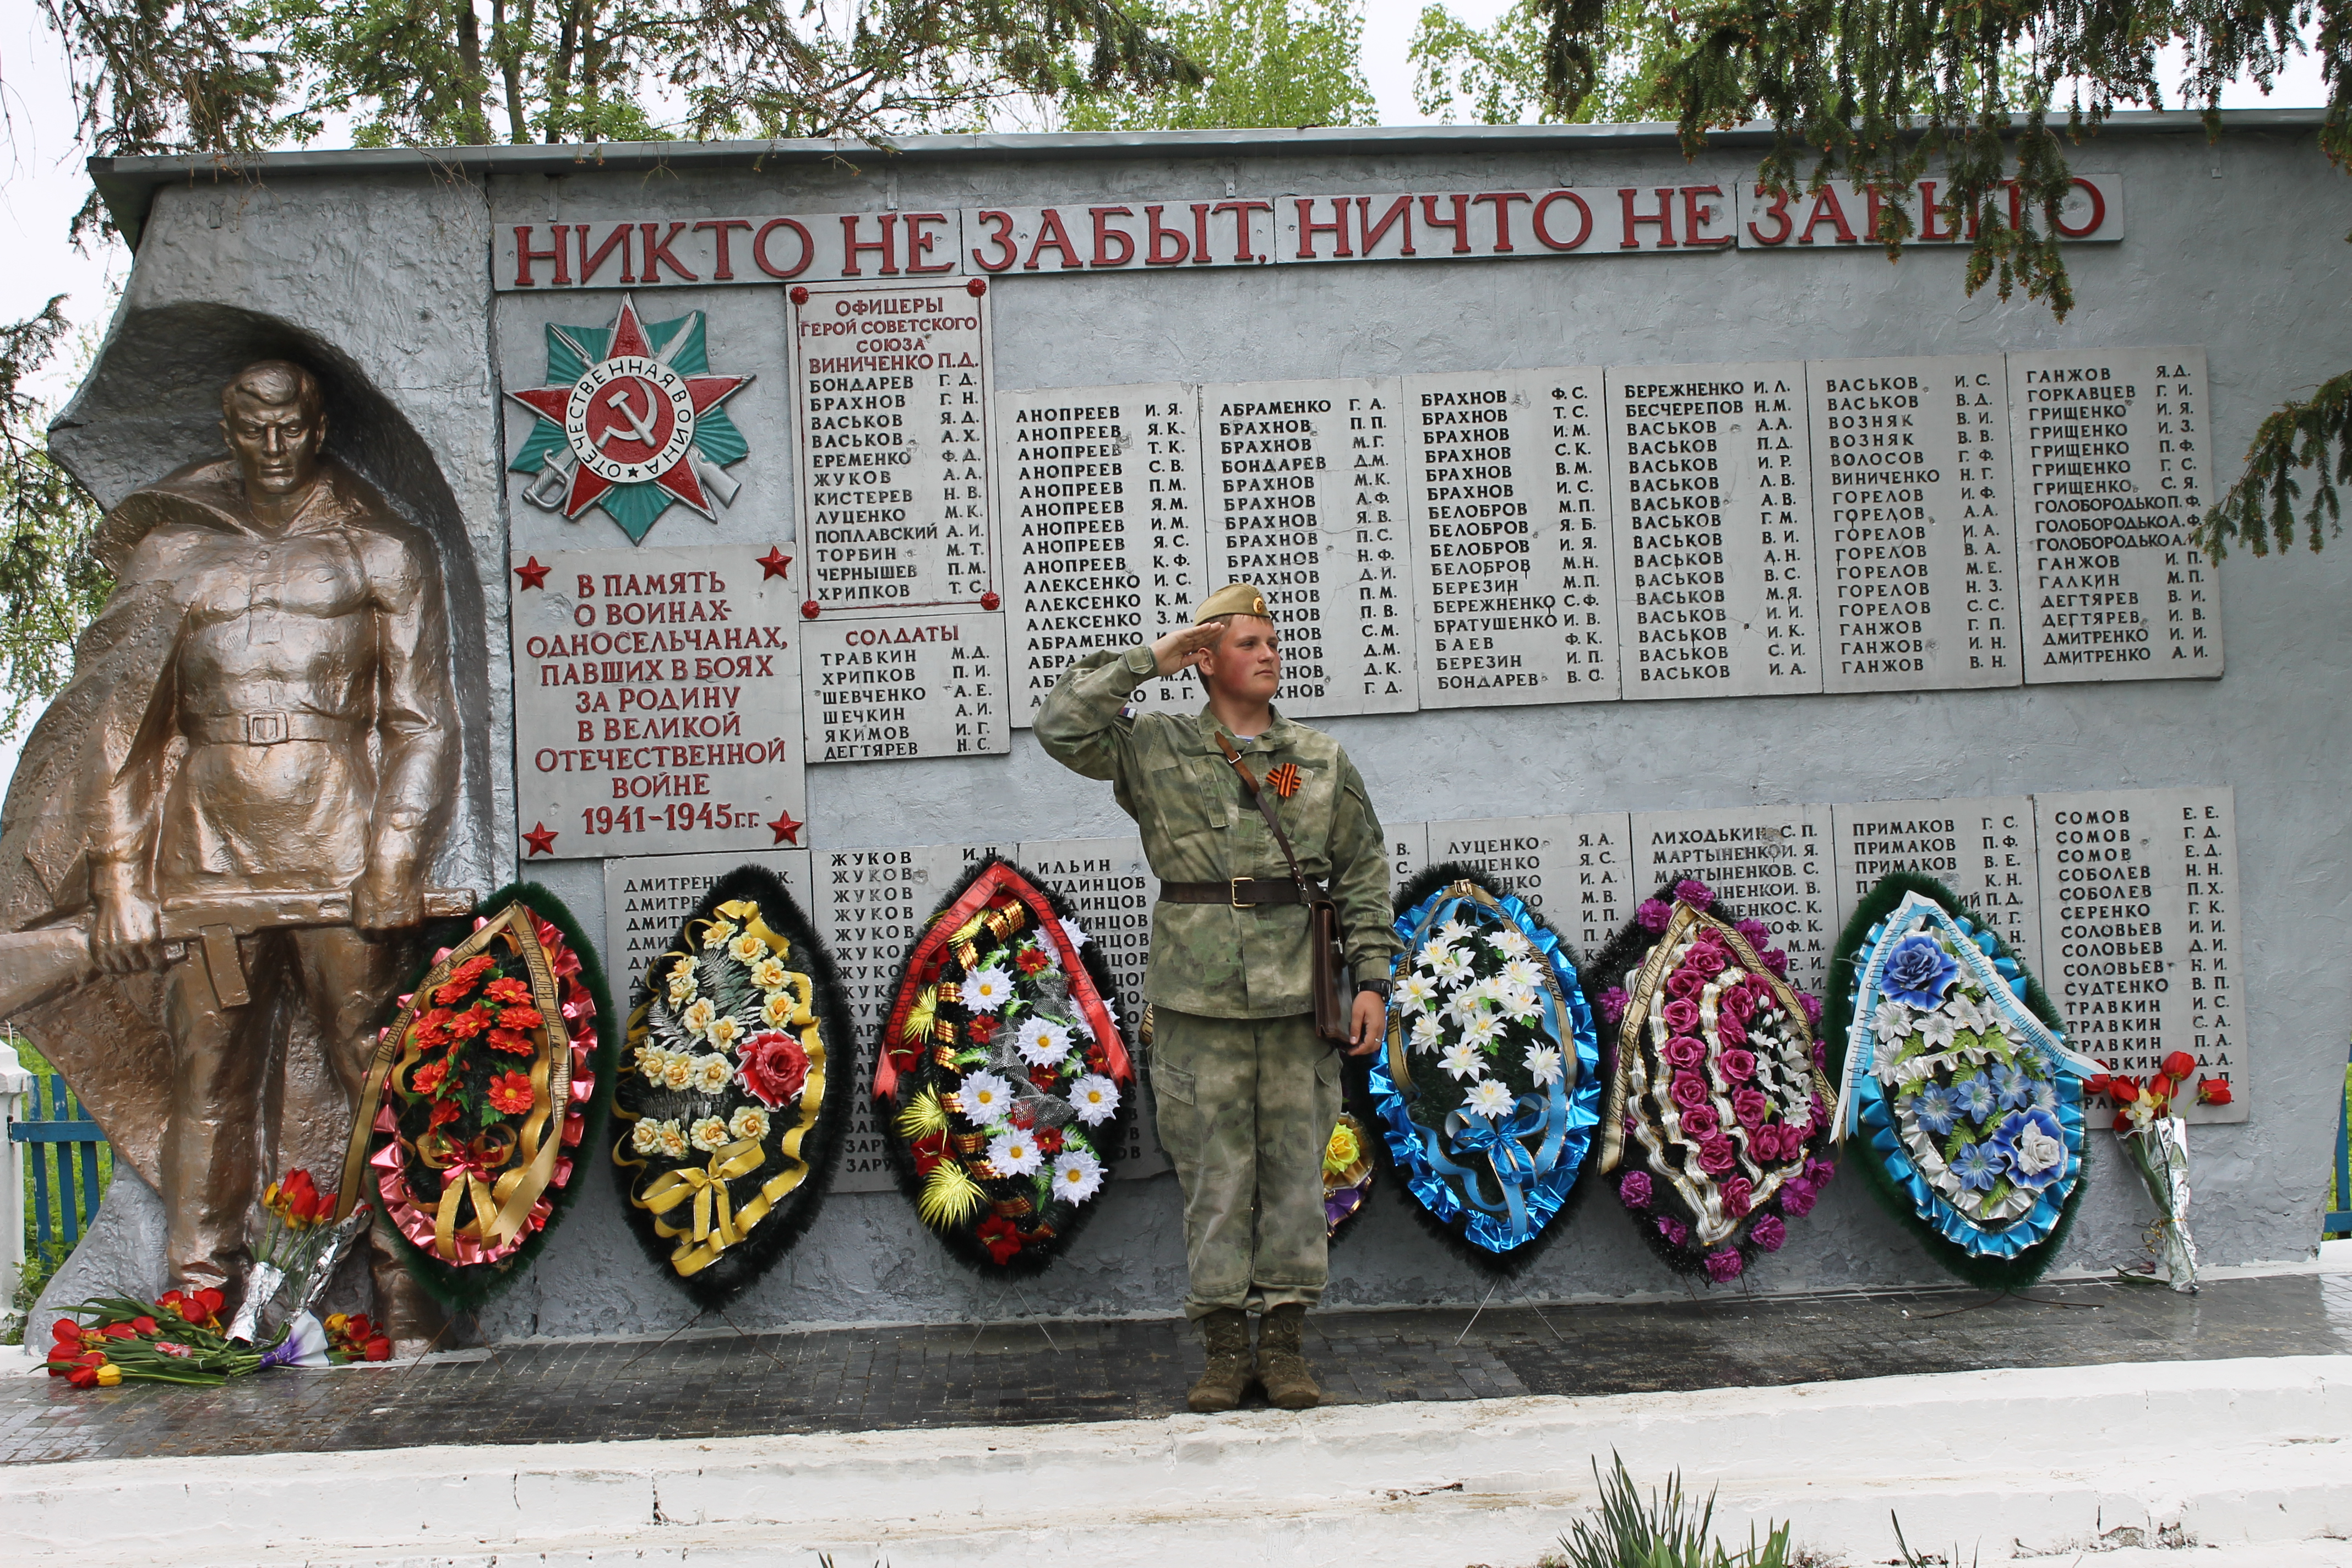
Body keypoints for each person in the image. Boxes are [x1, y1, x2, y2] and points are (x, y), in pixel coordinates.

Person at [1, 360, 458, 1345]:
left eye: (291, 426)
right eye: (253, 428)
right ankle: (202, 1297)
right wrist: (121, 882)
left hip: (340, 847)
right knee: (207, 1082)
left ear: (320, 424)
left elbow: (422, 723)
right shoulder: (175, 559)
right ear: (228, 427)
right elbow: (125, 738)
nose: (275, 446)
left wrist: (394, 860)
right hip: (203, 856)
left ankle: (408, 1293)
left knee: (376, 1072)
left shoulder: (384, 552)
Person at [1035, 582, 1396, 1411]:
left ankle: (1287, 1342)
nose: (1269, 653)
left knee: (1298, 1174)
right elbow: (1061, 726)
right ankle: (1225, 1347)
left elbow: (1365, 871)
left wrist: (1370, 979)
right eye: (1245, 643)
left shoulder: (1320, 759)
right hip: (1198, 1003)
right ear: (1205, 660)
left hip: (1300, 999)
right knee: (1214, 1176)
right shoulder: (1156, 748)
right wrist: (1152, 659)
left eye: (1273, 641)